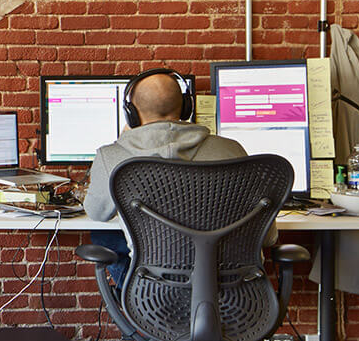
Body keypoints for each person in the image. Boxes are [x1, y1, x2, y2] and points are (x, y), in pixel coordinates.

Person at [85, 69, 248, 287]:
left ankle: (131, 296)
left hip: (152, 296)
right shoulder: (232, 150)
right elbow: (267, 237)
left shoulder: (112, 156)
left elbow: (97, 213)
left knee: (103, 237)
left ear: (130, 114)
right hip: (230, 292)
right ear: (186, 107)